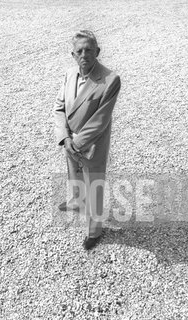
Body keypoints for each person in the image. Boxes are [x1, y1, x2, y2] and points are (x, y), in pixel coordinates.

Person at [54, 30, 121, 250]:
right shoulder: (69, 73)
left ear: (98, 52)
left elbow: (100, 120)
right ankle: (76, 201)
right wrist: (64, 137)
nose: (84, 55)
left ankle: (95, 231)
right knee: (74, 174)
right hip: (70, 141)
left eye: (89, 50)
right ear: (73, 54)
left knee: (93, 186)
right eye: (79, 51)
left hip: (91, 144)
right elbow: (59, 107)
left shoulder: (110, 80)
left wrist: (77, 142)